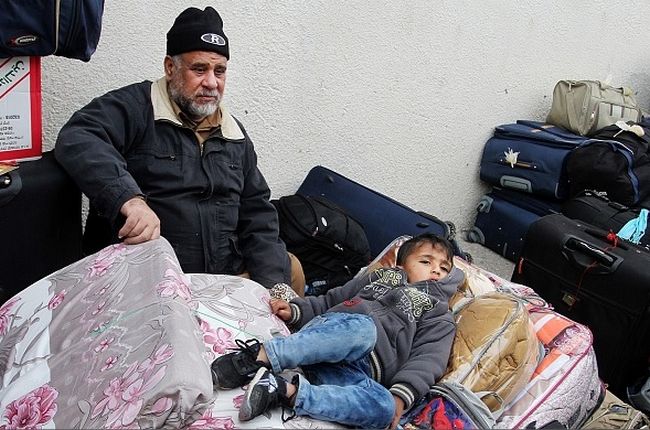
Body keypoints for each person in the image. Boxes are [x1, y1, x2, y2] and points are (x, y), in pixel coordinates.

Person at [54, 7, 304, 295]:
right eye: (199, 69)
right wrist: (130, 200)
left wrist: (274, 288)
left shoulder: (234, 134)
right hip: (150, 285)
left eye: (219, 71)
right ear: (170, 68)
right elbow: (78, 136)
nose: (211, 82)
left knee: (289, 272)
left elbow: (258, 217)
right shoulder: (136, 109)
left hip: (222, 281)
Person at [210, 233, 464, 429]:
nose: (436, 270)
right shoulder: (379, 278)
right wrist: (298, 310)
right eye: (426, 261)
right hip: (330, 337)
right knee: (364, 329)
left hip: (356, 371)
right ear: (402, 264)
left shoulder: (440, 316)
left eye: (444, 268)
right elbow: (333, 298)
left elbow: (429, 359)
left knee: (384, 408)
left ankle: (282, 391)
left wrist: (401, 394)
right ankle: (260, 356)